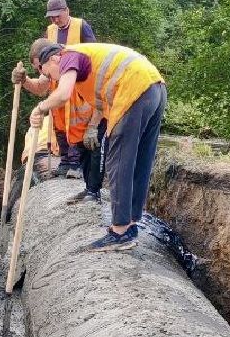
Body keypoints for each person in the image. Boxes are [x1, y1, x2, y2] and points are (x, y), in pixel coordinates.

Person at [23, 38, 165, 252]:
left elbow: (62, 95)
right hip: (154, 87)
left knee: (119, 161)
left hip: (134, 90)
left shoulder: (68, 57)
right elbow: (53, 89)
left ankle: (120, 232)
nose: (48, 77)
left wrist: (39, 109)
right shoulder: (81, 58)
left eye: (45, 71)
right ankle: (131, 222)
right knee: (140, 160)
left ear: (53, 58)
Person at [43, 0, 98, 178]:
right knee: (59, 125)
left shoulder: (81, 26)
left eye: (57, 16)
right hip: (57, 84)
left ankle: (77, 162)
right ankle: (65, 160)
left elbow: (93, 52)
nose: (55, 20)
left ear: (67, 10)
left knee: (76, 124)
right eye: (51, 18)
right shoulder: (50, 31)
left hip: (77, 84)